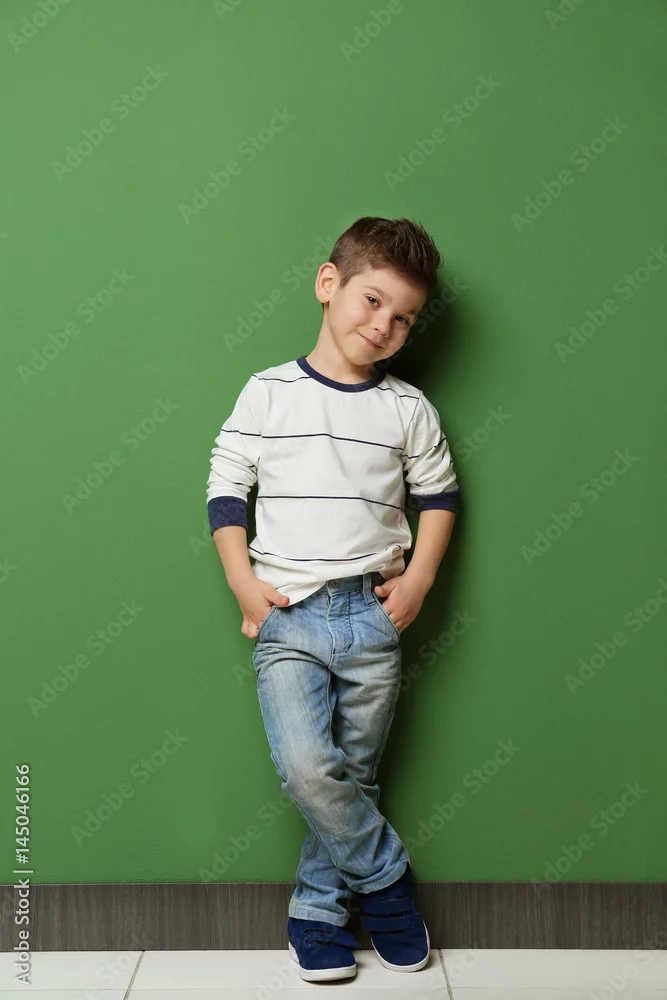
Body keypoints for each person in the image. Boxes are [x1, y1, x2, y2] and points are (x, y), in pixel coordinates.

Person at [205, 216, 460, 982]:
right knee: (310, 769)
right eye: (371, 300)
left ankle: (316, 913)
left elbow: (439, 497)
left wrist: (417, 580)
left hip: (370, 617)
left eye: (403, 318)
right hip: (287, 614)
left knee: (354, 772)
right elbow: (226, 487)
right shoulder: (268, 392)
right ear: (329, 284)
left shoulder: (406, 408)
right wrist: (241, 580)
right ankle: (387, 880)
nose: (383, 325)